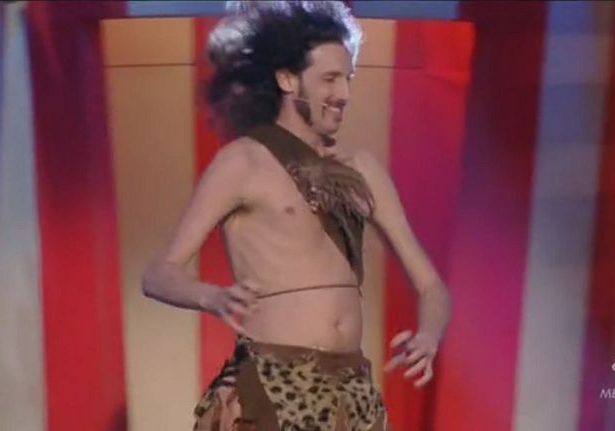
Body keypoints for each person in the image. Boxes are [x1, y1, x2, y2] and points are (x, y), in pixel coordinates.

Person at [141, 1, 451, 429]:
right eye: (329, 79)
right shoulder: (243, 162)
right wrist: (210, 297)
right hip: (271, 385)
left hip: (351, 393)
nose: (343, 94)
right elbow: (158, 274)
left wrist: (429, 336)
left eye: (347, 79)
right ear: (287, 79)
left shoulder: (362, 169)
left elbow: (432, 286)